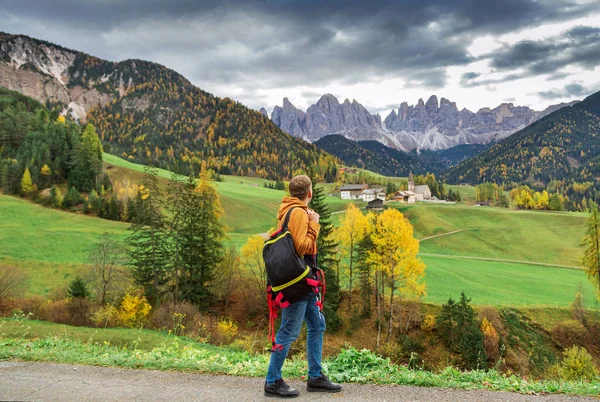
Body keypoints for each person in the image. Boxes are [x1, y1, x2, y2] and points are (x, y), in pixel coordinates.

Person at [264, 175, 342, 398]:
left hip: (304, 280)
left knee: (317, 325)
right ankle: (272, 381)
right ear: (310, 193)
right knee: (289, 330)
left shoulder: (289, 210)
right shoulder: (297, 212)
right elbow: (301, 247)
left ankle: (315, 376)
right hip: (298, 282)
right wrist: (314, 225)